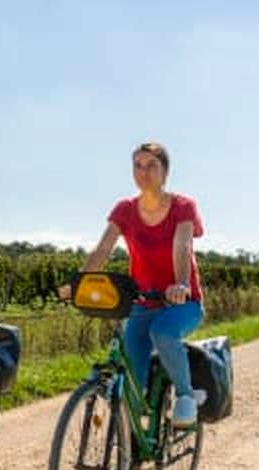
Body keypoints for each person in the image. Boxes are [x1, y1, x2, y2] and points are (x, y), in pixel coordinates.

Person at [61, 141, 205, 428]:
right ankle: (131, 451)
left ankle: (186, 396)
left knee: (163, 332)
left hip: (182, 302)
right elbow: (102, 249)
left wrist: (179, 284)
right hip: (142, 302)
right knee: (132, 372)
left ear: (165, 171)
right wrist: (78, 284)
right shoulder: (125, 209)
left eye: (152, 165)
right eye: (138, 165)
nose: (144, 172)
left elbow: (182, 245)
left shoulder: (182, 206)